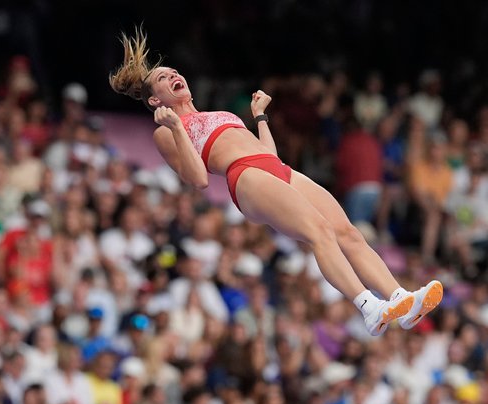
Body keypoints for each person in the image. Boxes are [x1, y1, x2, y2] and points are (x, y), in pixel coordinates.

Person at [108, 29, 443, 336]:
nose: (174, 75)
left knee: (348, 232)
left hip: (273, 166)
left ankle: (401, 300)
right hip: (245, 177)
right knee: (319, 232)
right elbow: (197, 180)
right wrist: (177, 127)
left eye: (173, 72)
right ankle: (369, 307)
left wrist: (260, 117)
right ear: (155, 100)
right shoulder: (166, 131)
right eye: (164, 78)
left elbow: (266, 152)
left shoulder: (218, 113)